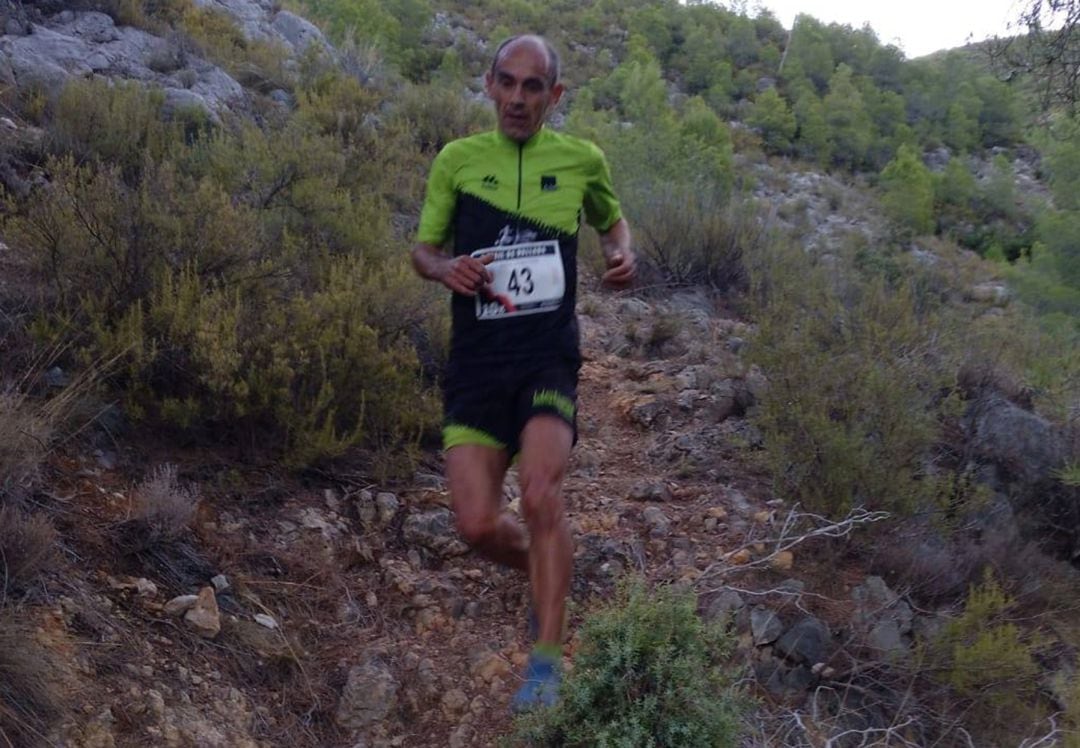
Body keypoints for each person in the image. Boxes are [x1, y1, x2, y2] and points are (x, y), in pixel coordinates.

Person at [410, 34, 636, 712]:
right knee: (477, 527)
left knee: (540, 494)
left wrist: (623, 255)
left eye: (532, 87)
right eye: (506, 82)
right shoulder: (457, 160)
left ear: (554, 96)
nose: (516, 98)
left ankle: (546, 661)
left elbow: (613, 223)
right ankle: (547, 569)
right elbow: (424, 250)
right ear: (488, 85)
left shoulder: (580, 160)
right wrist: (445, 267)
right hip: (476, 361)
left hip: (545, 354)